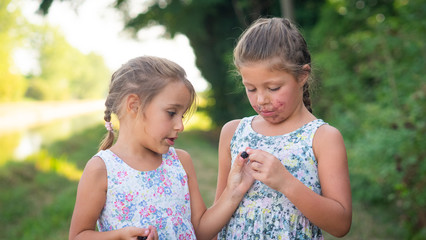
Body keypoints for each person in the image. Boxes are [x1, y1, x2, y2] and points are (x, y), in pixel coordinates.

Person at [69, 56, 254, 240]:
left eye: (181, 116)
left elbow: (201, 231)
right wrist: (118, 237)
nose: (180, 126)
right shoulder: (102, 169)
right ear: (134, 105)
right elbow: (78, 235)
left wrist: (234, 191)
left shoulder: (181, 162)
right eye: (172, 113)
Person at [214, 17, 352, 239]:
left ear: (302, 76)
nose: (261, 100)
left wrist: (285, 182)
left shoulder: (323, 138)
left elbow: (341, 225)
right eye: (250, 88)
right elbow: (215, 219)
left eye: (273, 87)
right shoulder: (233, 132)